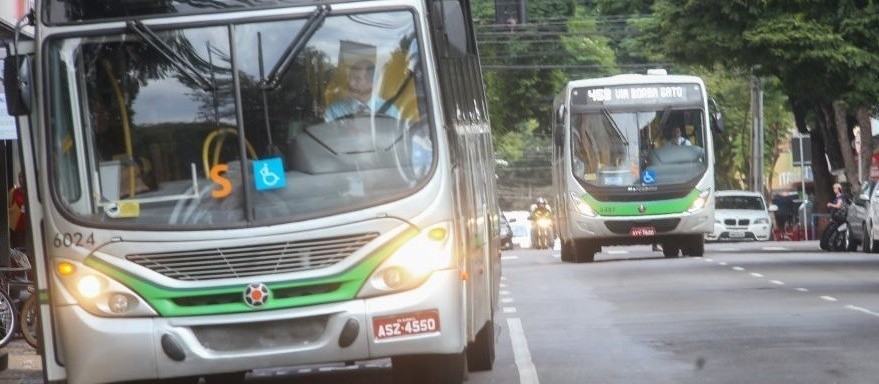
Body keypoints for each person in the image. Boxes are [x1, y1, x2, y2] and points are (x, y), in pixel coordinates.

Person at [324, 58, 400, 121]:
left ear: (371, 83)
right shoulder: (333, 111)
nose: (350, 83)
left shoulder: (391, 111)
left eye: (357, 79)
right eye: (350, 77)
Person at [8, 172, 27, 249]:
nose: (21, 180)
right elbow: (8, 205)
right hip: (15, 227)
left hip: (27, 227)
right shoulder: (14, 191)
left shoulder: (31, 192)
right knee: (17, 249)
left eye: (22, 177)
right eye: (19, 177)